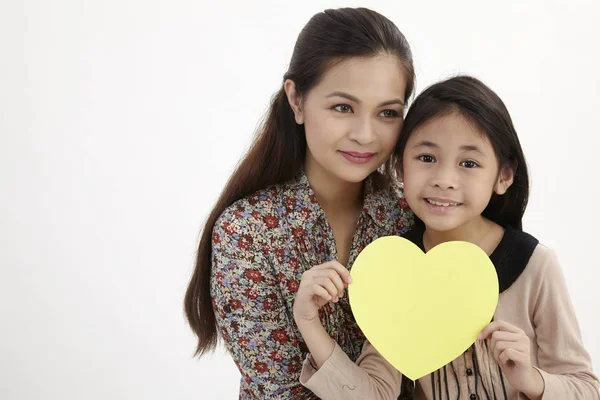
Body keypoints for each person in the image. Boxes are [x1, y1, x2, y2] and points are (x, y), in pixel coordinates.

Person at [295, 75, 600, 399]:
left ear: (504, 176)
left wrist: (531, 380)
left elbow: (586, 388)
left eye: (468, 163)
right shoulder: (392, 272)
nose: (444, 180)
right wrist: (309, 324)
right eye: (427, 158)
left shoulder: (536, 266)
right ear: (400, 167)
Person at [184, 7, 416, 398]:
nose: (365, 134)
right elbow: (279, 389)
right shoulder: (246, 233)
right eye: (343, 107)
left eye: (387, 113)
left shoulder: (410, 218)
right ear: (296, 99)